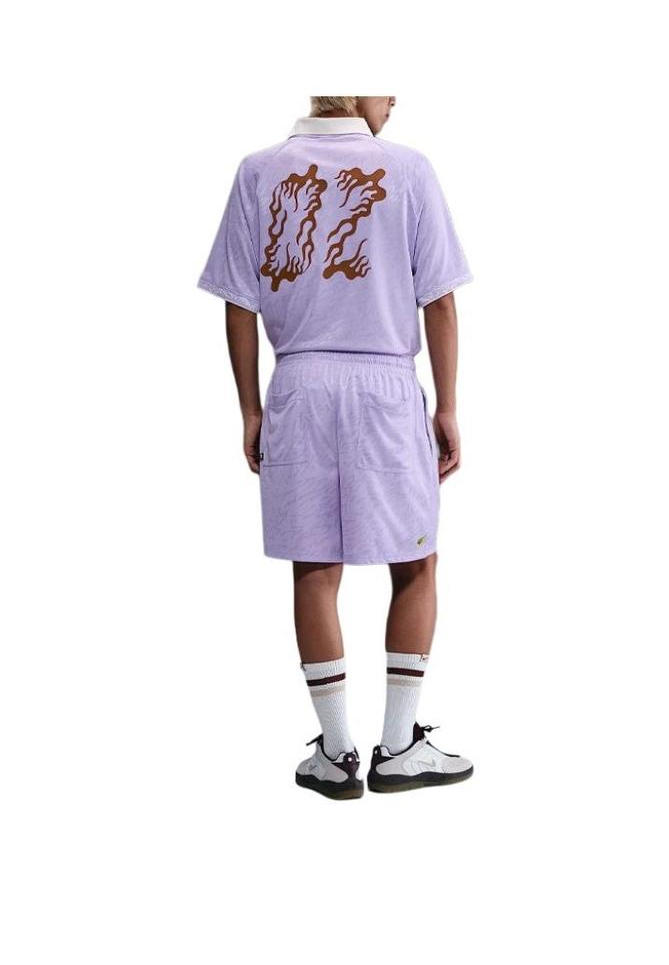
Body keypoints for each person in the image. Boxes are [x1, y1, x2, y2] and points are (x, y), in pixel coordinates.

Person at [197, 96, 475, 799]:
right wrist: (447, 405)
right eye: (386, 87)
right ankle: (399, 746)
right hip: (385, 386)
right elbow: (439, 300)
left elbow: (239, 304)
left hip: (299, 384)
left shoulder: (257, 171)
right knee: (415, 561)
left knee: (315, 568)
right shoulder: (408, 169)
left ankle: (336, 752)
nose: (394, 100)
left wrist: (251, 409)